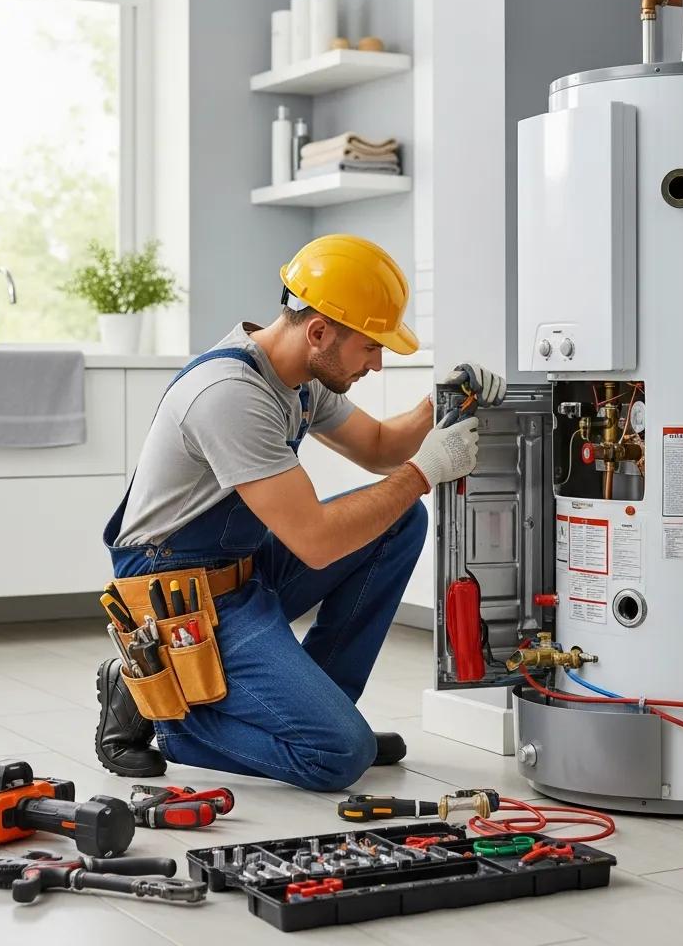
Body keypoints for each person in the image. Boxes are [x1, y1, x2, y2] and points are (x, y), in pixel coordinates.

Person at [94, 234, 506, 790]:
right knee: (338, 756)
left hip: (239, 573)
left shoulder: (301, 378)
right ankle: (169, 719)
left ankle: (324, 710)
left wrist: (442, 401)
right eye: (370, 347)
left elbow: (379, 447)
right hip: (177, 597)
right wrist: (423, 472)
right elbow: (316, 541)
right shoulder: (230, 394)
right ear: (318, 332)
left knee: (399, 523)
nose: (377, 364)